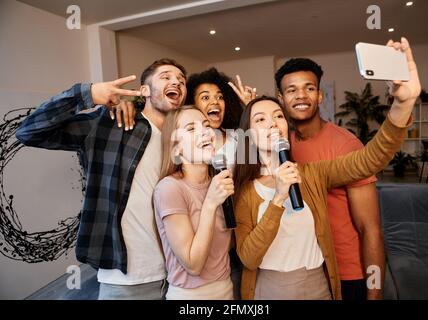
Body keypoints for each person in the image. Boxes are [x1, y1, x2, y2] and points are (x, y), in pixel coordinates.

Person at [233, 38, 420, 300]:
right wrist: (278, 197)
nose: (272, 123)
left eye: (277, 117)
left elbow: (370, 159)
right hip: (272, 288)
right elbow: (249, 257)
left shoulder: (313, 171)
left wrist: (402, 105)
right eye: (261, 120)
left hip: (325, 280)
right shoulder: (244, 188)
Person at [16, 58, 188, 300]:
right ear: (144, 91)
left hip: (178, 277)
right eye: (166, 77)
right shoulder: (110, 124)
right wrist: (86, 94)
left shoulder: (184, 140)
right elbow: (29, 132)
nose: (176, 82)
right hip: (125, 279)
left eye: (181, 81)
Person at [275, 58, 384, 299]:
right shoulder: (282, 144)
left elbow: (371, 228)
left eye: (309, 88)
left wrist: (375, 293)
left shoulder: (346, 144)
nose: (301, 96)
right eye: (291, 90)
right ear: (281, 99)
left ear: (320, 96)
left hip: (348, 273)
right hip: (307, 271)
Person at [185, 68, 255, 299]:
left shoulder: (239, 138)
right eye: (205, 97)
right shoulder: (186, 145)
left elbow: (260, 169)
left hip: (239, 238)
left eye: (220, 96)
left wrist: (250, 110)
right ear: (192, 106)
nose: (215, 101)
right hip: (202, 238)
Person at [153, 105, 234, 299]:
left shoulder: (220, 180)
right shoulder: (169, 188)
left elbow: (226, 246)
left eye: (206, 126)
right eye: (191, 129)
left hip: (227, 289)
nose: (205, 132)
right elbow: (193, 265)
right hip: (190, 296)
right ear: (176, 147)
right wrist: (210, 204)